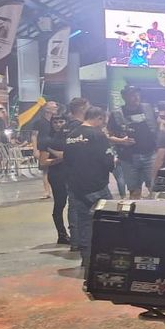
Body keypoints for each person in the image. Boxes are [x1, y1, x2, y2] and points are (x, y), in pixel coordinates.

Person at [63, 107, 115, 267]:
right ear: (99, 118)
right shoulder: (98, 135)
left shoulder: (71, 136)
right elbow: (108, 162)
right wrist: (113, 162)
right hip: (97, 185)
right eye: (103, 121)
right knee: (109, 221)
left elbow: (67, 160)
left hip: (76, 186)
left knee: (84, 222)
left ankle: (86, 259)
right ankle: (105, 258)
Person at [107, 85, 159, 199]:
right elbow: (108, 136)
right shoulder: (116, 114)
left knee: (154, 189)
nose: (136, 97)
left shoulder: (148, 108)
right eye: (132, 95)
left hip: (150, 154)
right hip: (128, 158)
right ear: (124, 97)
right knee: (134, 191)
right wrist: (121, 141)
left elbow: (159, 125)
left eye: (137, 94)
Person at [37, 113, 73, 245]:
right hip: (57, 175)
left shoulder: (71, 137)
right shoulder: (47, 140)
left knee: (74, 204)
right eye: (55, 122)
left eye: (61, 121)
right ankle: (61, 234)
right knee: (60, 204)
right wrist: (61, 159)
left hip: (72, 174)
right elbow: (42, 163)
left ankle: (75, 232)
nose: (58, 125)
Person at [27, 101, 59, 199]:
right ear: (47, 109)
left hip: (54, 147)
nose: (56, 108)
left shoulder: (56, 121)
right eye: (53, 107)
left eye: (56, 106)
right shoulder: (38, 122)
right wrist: (35, 149)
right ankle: (47, 191)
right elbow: (34, 136)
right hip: (43, 148)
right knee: (45, 170)